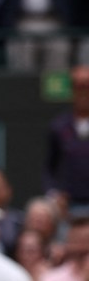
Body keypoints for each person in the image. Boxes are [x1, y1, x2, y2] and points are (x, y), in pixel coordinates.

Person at [45, 66, 89, 218]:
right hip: (69, 207)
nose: (83, 92)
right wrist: (54, 195)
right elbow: (50, 167)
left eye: (87, 86)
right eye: (78, 86)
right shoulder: (59, 126)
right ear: (71, 90)